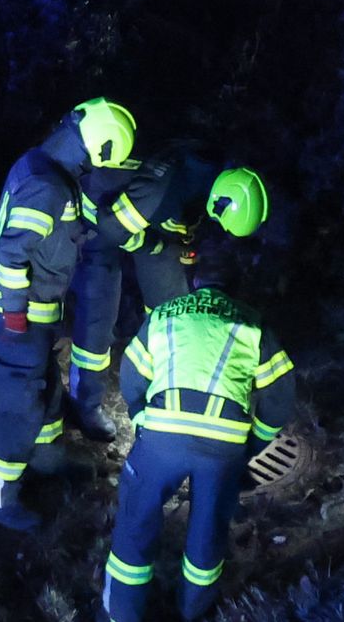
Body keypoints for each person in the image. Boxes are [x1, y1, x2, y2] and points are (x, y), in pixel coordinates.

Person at [98, 283, 312, 622]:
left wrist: (141, 419)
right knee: (208, 527)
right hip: (223, 445)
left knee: (136, 520)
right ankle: (193, 616)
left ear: (196, 287)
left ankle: (121, 621)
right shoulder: (251, 324)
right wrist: (254, 443)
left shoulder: (165, 315)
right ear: (229, 294)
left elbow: (132, 372)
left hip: (162, 436)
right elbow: (280, 394)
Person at [0, 98, 138, 530]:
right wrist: (14, 319)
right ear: (96, 151)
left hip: (33, 316)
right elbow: (11, 255)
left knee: (46, 391)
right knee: (19, 406)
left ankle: (46, 461)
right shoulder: (49, 187)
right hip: (18, 317)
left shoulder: (43, 165)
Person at [70, 156, 273, 432]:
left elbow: (191, 228)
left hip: (151, 228)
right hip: (98, 222)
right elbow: (110, 229)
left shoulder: (217, 181)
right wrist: (150, 244)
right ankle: (85, 406)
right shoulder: (162, 192)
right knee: (99, 314)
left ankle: (167, 391)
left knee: (171, 309)